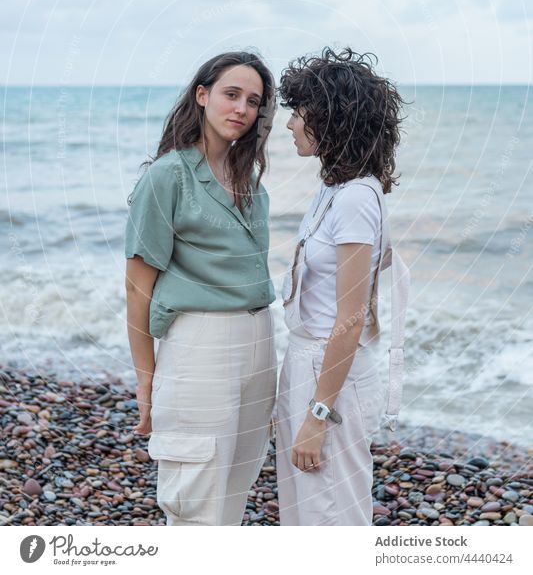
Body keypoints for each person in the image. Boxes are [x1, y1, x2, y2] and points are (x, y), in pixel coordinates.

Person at [124, 50, 278, 526]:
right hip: (200, 343)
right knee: (195, 499)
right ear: (203, 95)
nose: (242, 109)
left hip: (261, 338)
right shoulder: (166, 176)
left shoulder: (247, 177)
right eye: (231, 95)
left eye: (253, 101)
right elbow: (137, 286)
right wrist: (146, 376)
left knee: (237, 485)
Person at [274, 46, 409, 526]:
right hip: (307, 360)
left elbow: (350, 320)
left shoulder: (355, 197)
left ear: (331, 117)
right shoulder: (334, 188)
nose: (288, 124)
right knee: (304, 510)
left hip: (329, 373)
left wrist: (317, 413)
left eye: (299, 112)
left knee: (331, 518)